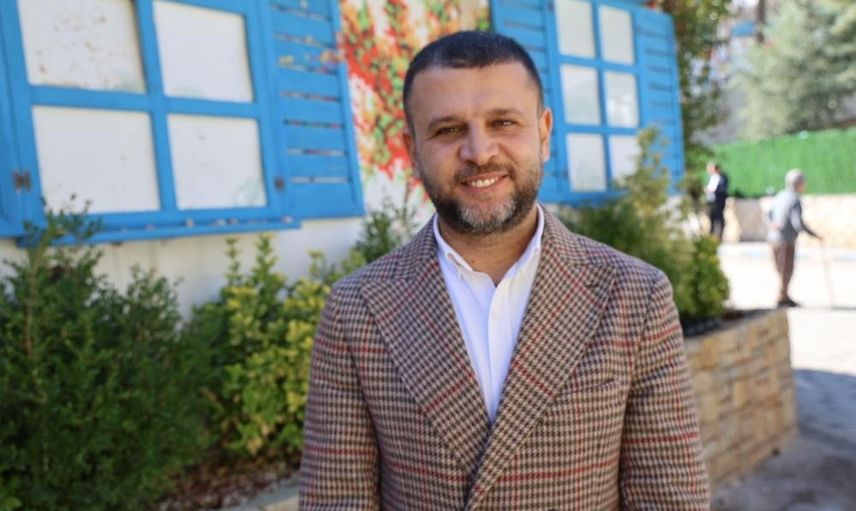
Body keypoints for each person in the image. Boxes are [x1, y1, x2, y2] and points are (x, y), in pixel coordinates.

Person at [300, 31, 709, 509]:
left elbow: (669, 498)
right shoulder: (356, 310)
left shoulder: (634, 296)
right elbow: (336, 500)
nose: (479, 152)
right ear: (412, 150)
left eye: (503, 122)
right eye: (448, 130)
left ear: (544, 132)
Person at [767, 169, 822, 307]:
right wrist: (814, 234)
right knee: (787, 269)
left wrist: (771, 224)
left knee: (781, 269)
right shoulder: (795, 199)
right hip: (786, 240)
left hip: (773, 238)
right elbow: (797, 223)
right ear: (798, 183)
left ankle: (784, 295)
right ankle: (782, 297)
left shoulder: (780, 195)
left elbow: (768, 214)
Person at [705, 161, 729, 241]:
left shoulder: (721, 177)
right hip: (712, 200)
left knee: (719, 217)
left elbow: (721, 189)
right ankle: (712, 234)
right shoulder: (711, 177)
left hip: (719, 200)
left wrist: (714, 191)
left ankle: (720, 235)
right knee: (712, 217)